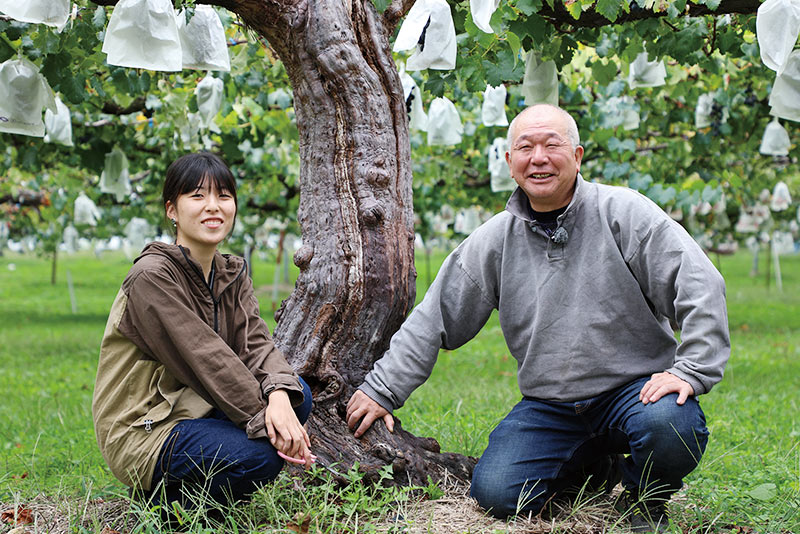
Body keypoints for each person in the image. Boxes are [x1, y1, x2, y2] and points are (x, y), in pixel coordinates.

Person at [346, 105, 729, 531]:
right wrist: (382, 389)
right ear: (510, 164)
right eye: (525, 147)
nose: (539, 157)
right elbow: (435, 316)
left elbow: (699, 282)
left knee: (671, 426)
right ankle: (598, 469)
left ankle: (643, 499)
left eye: (552, 144)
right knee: (496, 493)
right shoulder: (495, 240)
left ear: (578, 156)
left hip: (634, 394)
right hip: (552, 406)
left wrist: (692, 369)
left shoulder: (624, 213)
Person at [93, 152, 314, 510]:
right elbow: (204, 358)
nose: (213, 206)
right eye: (197, 196)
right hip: (148, 426)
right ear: (171, 210)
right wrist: (267, 421)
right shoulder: (151, 277)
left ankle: (194, 487)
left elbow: (256, 343)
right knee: (260, 457)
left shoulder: (231, 272)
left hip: (196, 405)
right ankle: (168, 508)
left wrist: (277, 398)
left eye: (223, 196)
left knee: (295, 395)